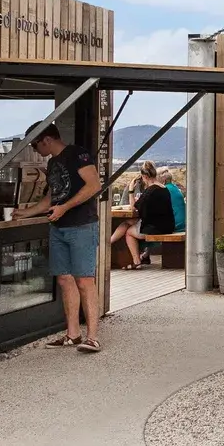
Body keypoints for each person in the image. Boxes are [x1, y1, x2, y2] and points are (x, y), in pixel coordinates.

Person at [16, 124, 104, 352]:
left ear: (46, 139)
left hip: (82, 225)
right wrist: (27, 212)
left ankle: (92, 336)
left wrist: (64, 207)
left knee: (85, 280)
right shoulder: (53, 163)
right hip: (59, 227)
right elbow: (51, 197)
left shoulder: (77, 153)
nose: (35, 150)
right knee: (64, 279)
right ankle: (72, 334)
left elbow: (94, 185)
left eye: (35, 144)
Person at [111, 162, 162, 267]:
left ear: (145, 176)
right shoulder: (162, 188)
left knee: (129, 231)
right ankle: (109, 242)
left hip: (154, 226)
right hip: (161, 223)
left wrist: (130, 191)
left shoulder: (150, 190)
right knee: (127, 223)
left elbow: (133, 207)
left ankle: (135, 261)